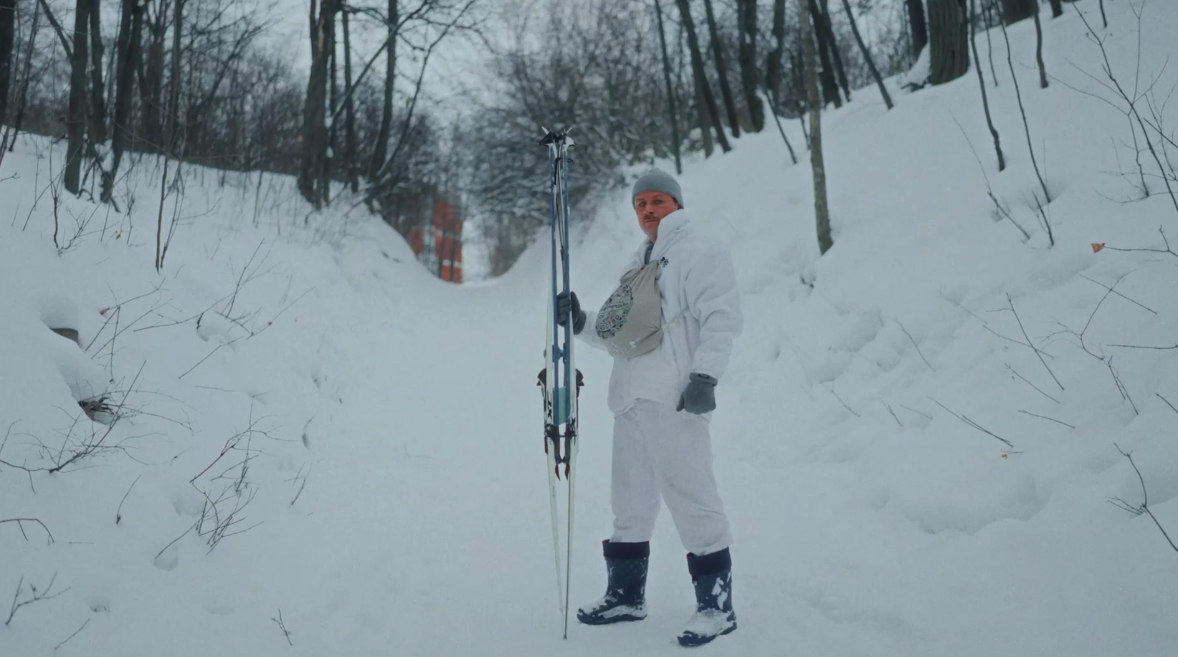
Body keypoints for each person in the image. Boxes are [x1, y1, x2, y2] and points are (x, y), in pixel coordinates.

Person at [557, 168, 743, 647]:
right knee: (630, 501)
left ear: (676, 204)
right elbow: (619, 332)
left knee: (692, 496)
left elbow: (721, 317)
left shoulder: (702, 252)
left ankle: (716, 606)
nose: (647, 210)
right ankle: (625, 596)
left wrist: (705, 376)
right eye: (640, 204)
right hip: (632, 398)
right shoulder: (637, 262)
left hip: (677, 398)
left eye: (657, 201)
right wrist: (581, 321)